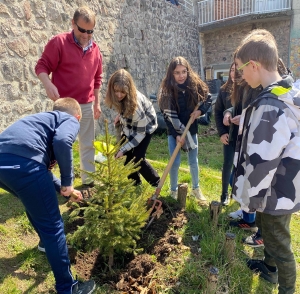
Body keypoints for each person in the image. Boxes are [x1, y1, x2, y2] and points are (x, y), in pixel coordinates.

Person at [0, 98, 95, 294]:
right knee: (53, 226)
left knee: (32, 200)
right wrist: (69, 182)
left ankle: (45, 244)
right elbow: (61, 142)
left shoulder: (42, 121)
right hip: (24, 167)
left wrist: (62, 187)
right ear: (77, 116)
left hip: (4, 164)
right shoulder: (69, 119)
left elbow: (36, 163)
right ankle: (68, 288)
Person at [232, 31, 300, 293]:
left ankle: (286, 288)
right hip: (281, 188)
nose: (241, 76)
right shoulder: (283, 91)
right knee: (271, 236)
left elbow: (263, 162)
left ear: (255, 66)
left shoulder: (271, 105)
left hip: (274, 191)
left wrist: (250, 198)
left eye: (241, 69)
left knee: (279, 244)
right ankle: (269, 270)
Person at [35, 6, 103, 187]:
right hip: (64, 107)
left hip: (87, 104)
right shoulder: (58, 42)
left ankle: (88, 182)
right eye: (82, 30)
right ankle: (59, 181)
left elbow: (97, 78)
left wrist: (96, 103)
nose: (86, 35)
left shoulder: (96, 50)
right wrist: (47, 83)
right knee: (60, 144)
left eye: (90, 31)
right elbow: (41, 66)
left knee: (87, 144)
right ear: (73, 23)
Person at [158, 56, 211, 201]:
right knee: (174, 162)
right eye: (177, 73)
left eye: (184, 72)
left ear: (188, 71)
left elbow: (208, 98)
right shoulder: (166, 91)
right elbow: (167, 116)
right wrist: (175, 134)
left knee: (193, 162)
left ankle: (196, 188)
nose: (181, 76)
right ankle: (173, 190)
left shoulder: (194, 85)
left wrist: (200, 111)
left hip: (191, 130)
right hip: (173, 132)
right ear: (171, 74)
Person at [105, 69, 160, 187]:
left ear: (128, 91)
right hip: (130, 124)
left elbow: (139, 133)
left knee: (137, 158)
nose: (119, 95)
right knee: (126, 155)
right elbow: (124, 109)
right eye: (116, 91)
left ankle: (156, 183)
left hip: (145, 127)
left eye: (122, 92)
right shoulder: (117, 97)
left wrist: (123, 149)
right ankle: (134, 183)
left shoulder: (136, 107)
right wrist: (120, 117)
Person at [214, 62, 236, 206]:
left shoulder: (247, 89)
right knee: (228, 163)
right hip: (229, 135)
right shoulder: (223, 90)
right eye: (232, 70)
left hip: (244, 136)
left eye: (237, 70)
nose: (234, 73)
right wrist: (222, 133)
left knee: (240, 166)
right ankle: (224, 194)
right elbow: (217, 112)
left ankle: (237, 193)